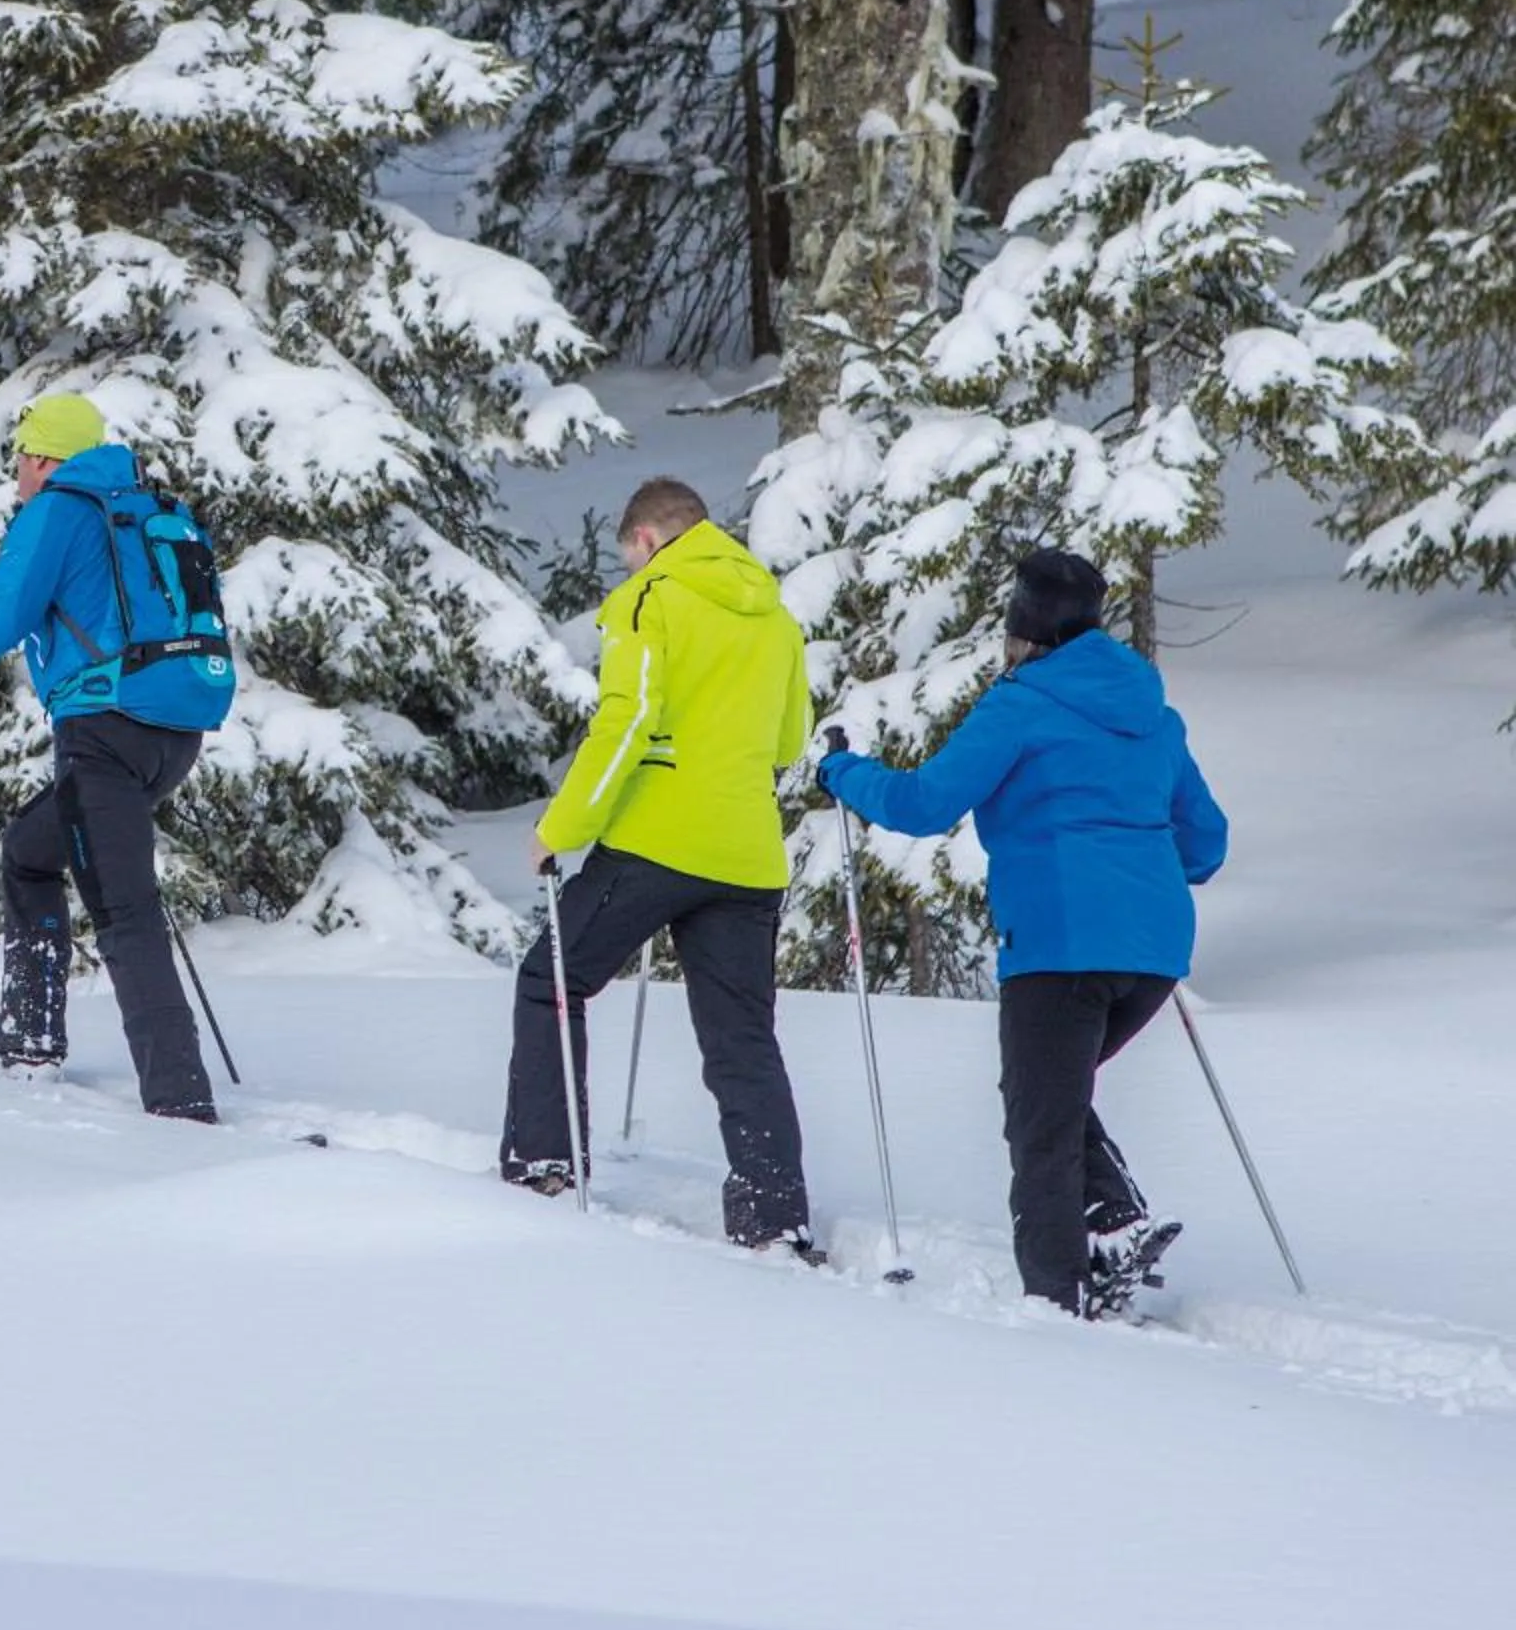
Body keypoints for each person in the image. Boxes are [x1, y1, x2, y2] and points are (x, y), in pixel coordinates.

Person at [817, 548, 1229, 1317]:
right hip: (1155, 951)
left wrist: (843, 772)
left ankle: (1057, 1303)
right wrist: (1135, 871)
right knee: (1047, 1098)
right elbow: (1206, 845)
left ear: (1022, 630)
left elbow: (923, 804)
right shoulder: (1155, 717)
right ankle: (1113, 1221)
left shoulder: (1020, 705)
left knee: (1041, 1122)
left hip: (1060, 940)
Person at [0, 395, 220, 1121]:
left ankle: (181, 1103)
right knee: (30, 852)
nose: (18, 476)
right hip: (175, 733)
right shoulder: (153, 509)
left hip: (105, 733)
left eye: (21, 459)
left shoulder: (58, 510)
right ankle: (29, 1043)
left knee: (124, 912)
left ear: (41, 458)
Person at [506, 478, 818, 1257]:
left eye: (629, 556)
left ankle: (546, 1163)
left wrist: (561, 829)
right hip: (747, 852)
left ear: (645, 539)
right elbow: (788, 741)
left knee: (550, 980)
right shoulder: (773, 613)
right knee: (742, 1036)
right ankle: (774, 1215)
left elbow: (626, 721)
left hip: (656, 840)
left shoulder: (652, 599)